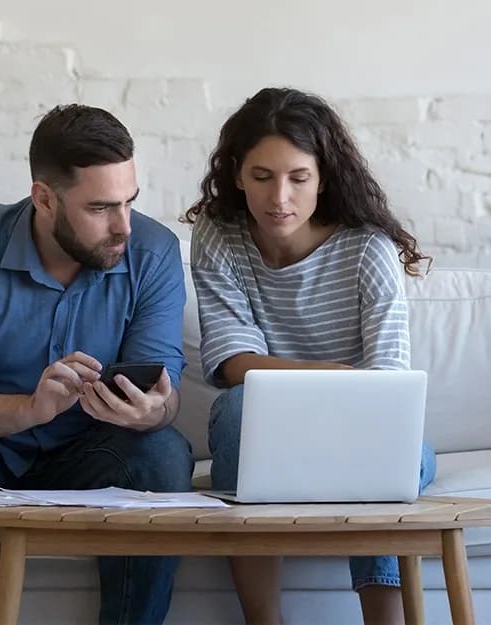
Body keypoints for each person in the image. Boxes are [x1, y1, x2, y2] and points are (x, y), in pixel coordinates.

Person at [0, 104, 194, 625]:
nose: (124, 227)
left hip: (95, 448)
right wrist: (30, 407)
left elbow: (167, 391)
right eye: (100, 208)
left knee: (163, 449)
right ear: (44, 199)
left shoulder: (154, 252)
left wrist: (152, 412)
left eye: (129, 202)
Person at [183, 87, 437, 625]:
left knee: (381, 454)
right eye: (262, 177)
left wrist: (340, 390)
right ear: (234, 173)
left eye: (299, 178)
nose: (280, 197)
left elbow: (388, 383)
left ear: (323, 177)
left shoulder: (368, 248)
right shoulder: (219, 235)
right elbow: (232, 362)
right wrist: (338, 374)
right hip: (268, 432)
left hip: (368, 427)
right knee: (233, 409)